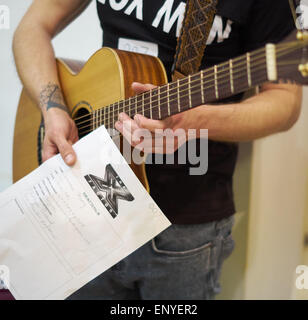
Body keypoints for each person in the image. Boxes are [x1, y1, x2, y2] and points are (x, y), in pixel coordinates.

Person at [13, 0, 302, 300]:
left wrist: (196, 120)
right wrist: (53, 107)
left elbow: (285, 101)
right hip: (87, 201)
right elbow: (32, 28)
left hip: (184, 226)